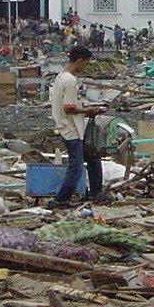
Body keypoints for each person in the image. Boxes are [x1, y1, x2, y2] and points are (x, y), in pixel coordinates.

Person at [50, 46, 104, 208]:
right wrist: (88, 111)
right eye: (85, 64)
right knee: (76, 167)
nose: (85, 67)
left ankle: (96, 192)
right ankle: (60, 199)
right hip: (70, 129)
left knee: (93, 157)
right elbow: (68, 107)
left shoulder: (61, 77)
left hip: (70, 125)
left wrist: (85, 111)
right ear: (79, 61)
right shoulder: (70, 80)